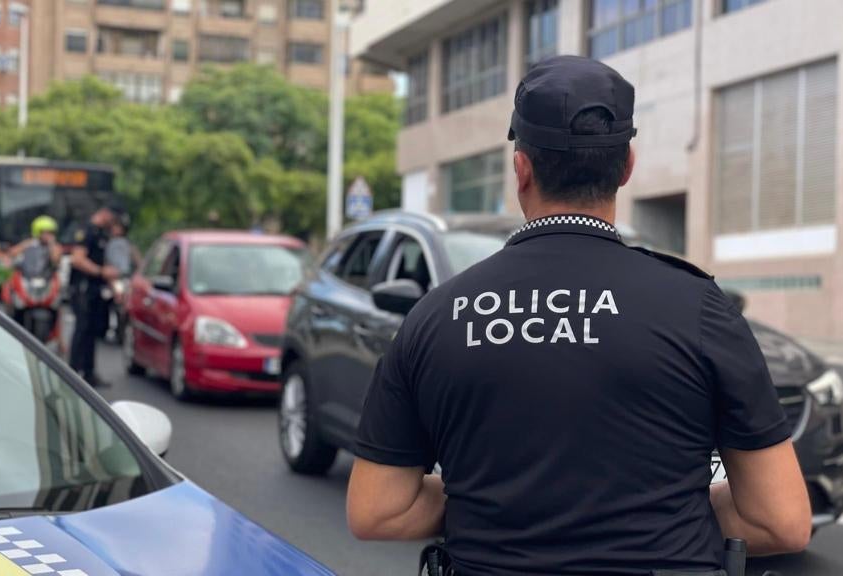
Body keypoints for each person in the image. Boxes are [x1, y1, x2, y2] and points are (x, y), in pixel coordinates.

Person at [346, 55, 811, 575]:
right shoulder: (698, 307)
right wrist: (653, 516)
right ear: (627, 166)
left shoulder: (435, 316)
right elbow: (781, 521)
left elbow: (376, 510)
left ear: (521, 168)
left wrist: (501, 507)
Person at [69, 206, 119, 386]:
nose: (113, 222)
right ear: (105, 213)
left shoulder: (101, 234)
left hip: (96, 290)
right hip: (82, 288)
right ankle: (72, 373)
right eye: (112, 217)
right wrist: (100, 272)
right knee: (81, 330)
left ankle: (89, 373)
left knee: (92, 330)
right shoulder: (86, 230)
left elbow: (103, 262)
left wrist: (114, 287)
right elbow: (78, 259)